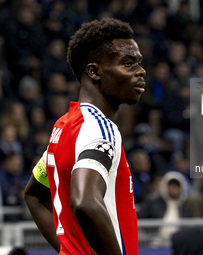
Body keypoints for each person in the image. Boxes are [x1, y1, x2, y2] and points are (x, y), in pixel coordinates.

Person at [24, 18, 146, 255]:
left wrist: (69, 250)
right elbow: (85, 202)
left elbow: (34, 195)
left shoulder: (64, 127)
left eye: (139, 62)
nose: (141, 70)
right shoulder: (101, 128)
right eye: (128, 63)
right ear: (94, 72)